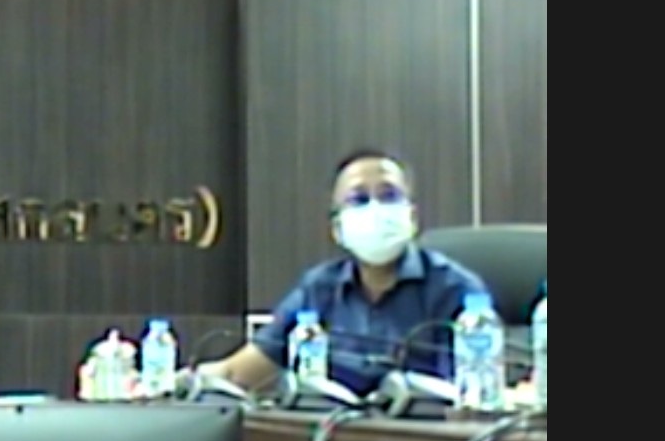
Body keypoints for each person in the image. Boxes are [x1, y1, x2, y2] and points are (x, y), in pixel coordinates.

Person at [198, 150, 490, 398]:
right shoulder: (318, 289)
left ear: (412, 218)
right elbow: (240, 372)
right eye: (358, 199)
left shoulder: (456, 290)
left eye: (389, 196)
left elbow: (476, 391)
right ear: (338, 229)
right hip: (330, 437)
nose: (375, 209)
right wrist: (186, 380)